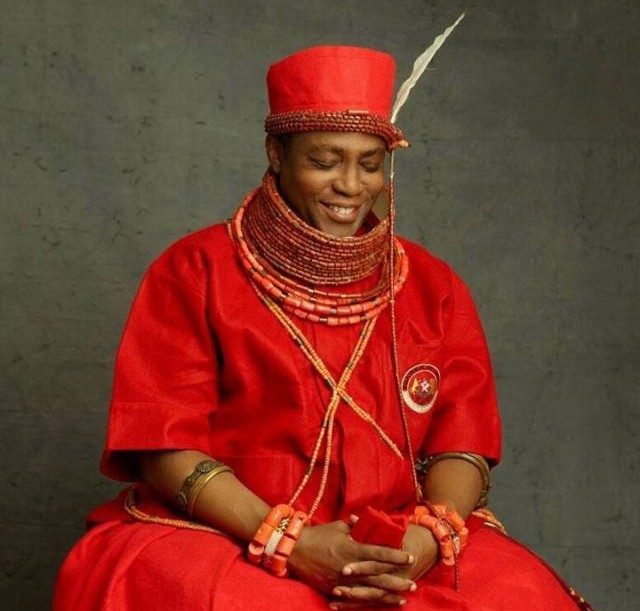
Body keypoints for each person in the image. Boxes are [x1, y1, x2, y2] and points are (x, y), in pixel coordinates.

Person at [53, 42, 593, 611]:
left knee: (519, 597)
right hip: (226, 533)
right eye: (324, 161)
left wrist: (423, 542)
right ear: (276, 153)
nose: (351, 186)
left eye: (369, 164)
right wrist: (289, 541)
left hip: (399, 542)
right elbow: (163, 445)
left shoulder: (434, 286)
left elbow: (463, 444)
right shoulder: (195, 270)